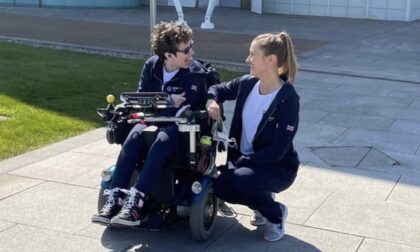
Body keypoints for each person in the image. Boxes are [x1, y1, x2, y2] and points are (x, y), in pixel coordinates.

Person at [92, 21, 217, 227]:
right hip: (152, 120)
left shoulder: (195, 74)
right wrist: (168, 101)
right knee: (134, 137)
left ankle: (137, 201)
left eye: (191, 46)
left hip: (182, 127)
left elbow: (190, 109)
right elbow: (141, 99)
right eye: (186, 49)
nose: (191, 52)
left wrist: (159, 103)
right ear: (168, 55)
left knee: (161, 140)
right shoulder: (152, 66)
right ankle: (115, 197)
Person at [206, 32, 300, 242]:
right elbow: (218, 89)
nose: (247, 60)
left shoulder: (288, 99)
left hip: (278, 167)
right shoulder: (247, 84)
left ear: (270, 60)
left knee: (242, 179)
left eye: (252, 54)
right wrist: (212, 101)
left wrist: (242, 162)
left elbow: (278, 151)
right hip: (245, 163)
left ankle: (275, 215)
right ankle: (260, 203)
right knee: (220, 186)